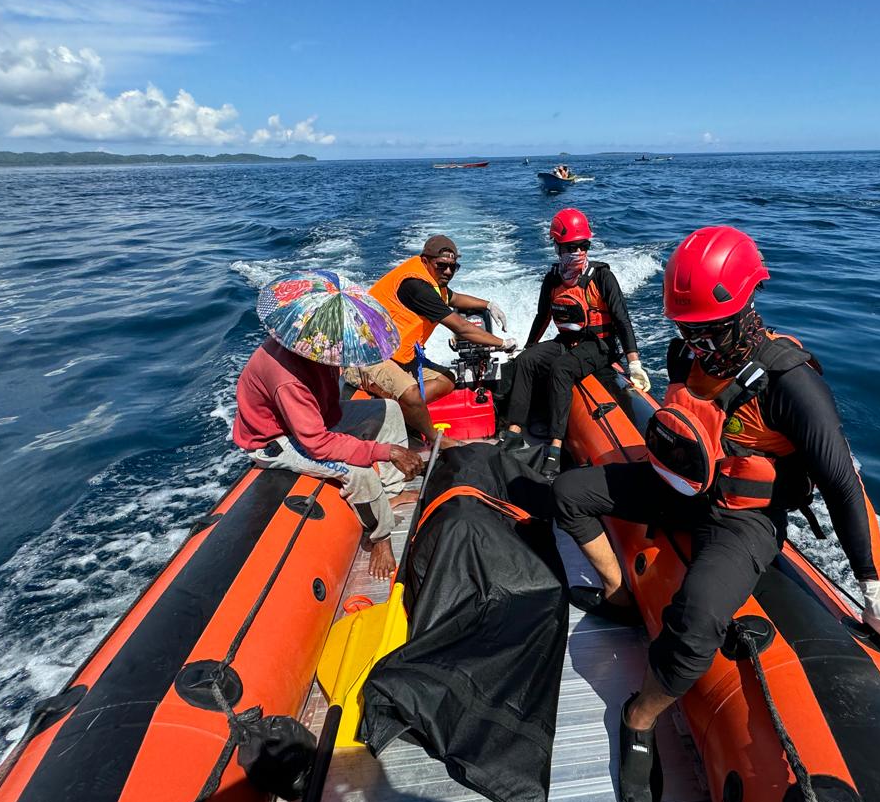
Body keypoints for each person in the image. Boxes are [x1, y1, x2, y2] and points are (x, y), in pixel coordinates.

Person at [552, 225, 880, 802]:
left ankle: (638, 715)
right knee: (570, 493)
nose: (695, 342)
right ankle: (622, 593)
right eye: (686, 329)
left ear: (745, 307)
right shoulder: (684, 352)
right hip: (677, 485)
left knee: (698, 618)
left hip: (740, 519)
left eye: (707, 329)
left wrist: (878, 591)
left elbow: (842, 485)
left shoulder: (791, 383)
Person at [233, 336, 424, 578]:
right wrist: (385, 451)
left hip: (314, 418)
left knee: (389, 409)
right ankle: (380, 537)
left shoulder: (317, 347)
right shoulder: (287, 379)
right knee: (358, 472)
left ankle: (392, 493)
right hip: (277, 439)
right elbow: (318, 444)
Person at [500, 208, 650, 477]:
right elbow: (543, 315)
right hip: (566, 340)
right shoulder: (553, 278)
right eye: (571, 247)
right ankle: (513, 431)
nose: (578, 252)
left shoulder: (602, 276)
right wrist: (529, 345)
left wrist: (634, 362)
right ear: (557, 247)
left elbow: (621, 319)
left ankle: (555, 448)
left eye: (583, 245)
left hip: (599, 346)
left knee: (562, 369)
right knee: (526, 361)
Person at [357, 235, 517, 445]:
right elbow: (461, 327)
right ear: (425, 260)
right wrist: (501, 343)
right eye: (442, 266)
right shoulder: (415, 286)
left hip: (400, 357)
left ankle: (403, 411)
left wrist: (488, 304)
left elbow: (453, 297)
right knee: (412, 394)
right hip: (371, 356)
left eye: (453, 267)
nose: (448, 272)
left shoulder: (431, 281)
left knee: (448, 379)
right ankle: (435, 438)